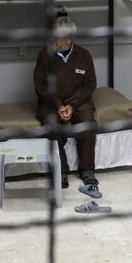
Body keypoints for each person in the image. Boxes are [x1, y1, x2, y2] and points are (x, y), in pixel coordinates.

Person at [33, 17, 99, 196]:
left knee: (88, 123)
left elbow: (89, 85)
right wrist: (58, 106)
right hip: (50, 103)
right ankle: (61, 170)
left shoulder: (84, 56)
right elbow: (40, 86)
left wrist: (71, 105)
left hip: (78, 102)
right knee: (52, 125)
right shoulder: (44, 56)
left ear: (69, 38)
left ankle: (87, 170)